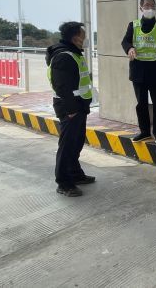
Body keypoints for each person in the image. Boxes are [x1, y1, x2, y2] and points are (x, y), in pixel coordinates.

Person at [46, 22, 95, 197]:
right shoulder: (64, 57)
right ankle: (64, 183)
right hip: (70, 107)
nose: (85, 39)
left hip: (79, 105)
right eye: (83, 36)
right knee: (67, 145)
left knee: (76, 142)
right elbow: (61, 86)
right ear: (75, 38)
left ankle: (75, 174)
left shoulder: (74, 54)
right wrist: (72, 109)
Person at [121, 0, 156, 144]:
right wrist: (129, 48)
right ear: (141, 8)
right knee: (141, 104)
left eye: (152, 5)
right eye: (147, 5)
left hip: (155, 71)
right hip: (138, 71)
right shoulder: (133, 25)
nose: (150, 8)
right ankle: (144, 132)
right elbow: (125, 41)